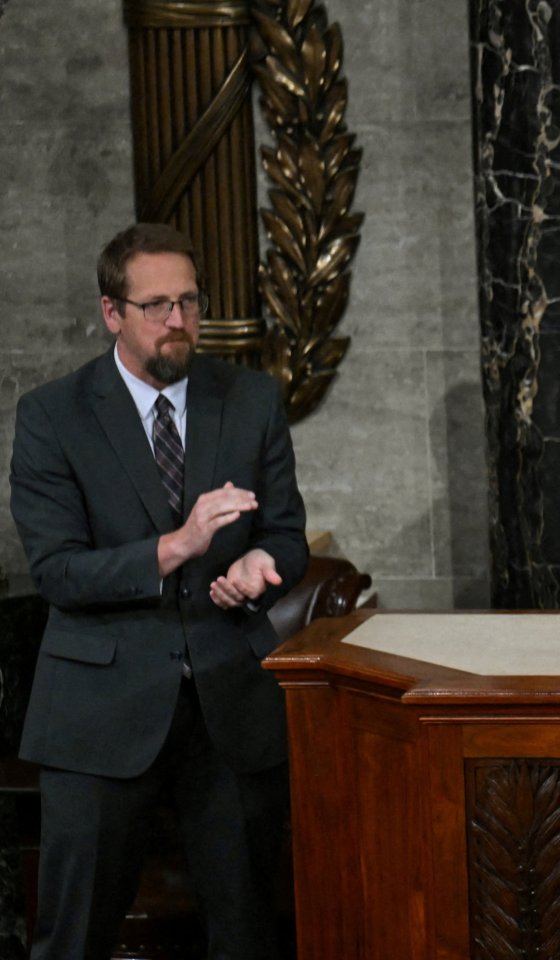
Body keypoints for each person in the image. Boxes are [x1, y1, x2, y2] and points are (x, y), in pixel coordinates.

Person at [11, 223, 309, 959]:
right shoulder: (53, 415)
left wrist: (258, 568)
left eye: (189, 302)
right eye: (157, 306)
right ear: (112, 312)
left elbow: (288, 534)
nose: (178, 321)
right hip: (100, 712)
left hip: (229, 707)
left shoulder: (249, 399)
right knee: (74, 939)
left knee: (247, 937)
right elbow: (58, 572)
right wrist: (177, 548)